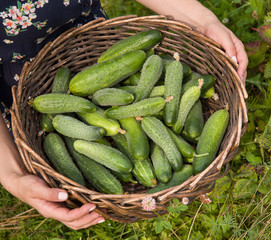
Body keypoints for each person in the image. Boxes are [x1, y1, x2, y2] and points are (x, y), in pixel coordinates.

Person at [0, 0, 248, 230]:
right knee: (92, 136)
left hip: (94, 53)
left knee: (119, 122)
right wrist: (12, 175)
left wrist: (203, 19)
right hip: (20, 85)